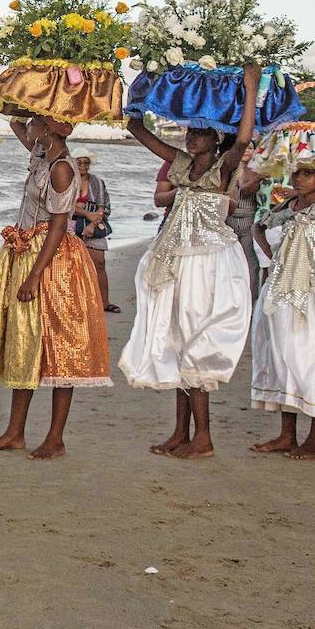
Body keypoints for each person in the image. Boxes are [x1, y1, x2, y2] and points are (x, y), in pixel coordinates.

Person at [118, 67, 259, 459]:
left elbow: (244, 137)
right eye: (189, 131)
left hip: (210, 263)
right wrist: (135, 90)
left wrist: (249, 87)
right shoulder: (180, 163)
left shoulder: (223, 167)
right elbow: (138, 130)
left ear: (215, 139)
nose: (190, 136)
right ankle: (181, 431)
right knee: (176, 339)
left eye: (199, 132)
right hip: (177, 259)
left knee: (198, 343)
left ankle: (205, 438)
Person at [0, 116, 112, 460]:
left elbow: (58, 225)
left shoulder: (62, 168)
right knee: (24, 339)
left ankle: (55, 437)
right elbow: (16, 123)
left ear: (49, 129)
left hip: (51, 260)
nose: (29, 126)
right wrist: (27, 107)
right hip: (25, 250)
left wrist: (36, 274)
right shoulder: (42, 155)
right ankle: (15, 432)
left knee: (59, 344)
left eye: (36, 121)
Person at [249, 161, 315, 459]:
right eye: (297, 173)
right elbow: (259, 225)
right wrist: (273, 260)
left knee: (314, 361)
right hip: (282, 291)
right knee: (283, 357)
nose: (300, 179)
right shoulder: (289, 205)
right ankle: (287, 435)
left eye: (309, 173)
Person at [70, 152, 118, 312]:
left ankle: (104, 302)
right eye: (79, 162)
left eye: (86, 163)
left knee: (99, 263)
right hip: (69, 227)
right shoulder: (67, 180)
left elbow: (103, 207)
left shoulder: (97, 182)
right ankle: (75, 303)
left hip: (94, 225)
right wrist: (86, 212)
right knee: (71, 266)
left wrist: (91, 224)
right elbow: (61, 206)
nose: (83, 166)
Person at [227, 154, 265, 301]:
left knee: (250, 262)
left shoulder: (258, 169)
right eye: (245, 147)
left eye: (251, 147)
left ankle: (250, 299)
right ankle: (232, 298)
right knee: (231, 261)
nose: (247, 150)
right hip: (230, 220)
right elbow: (240, 192)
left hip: (249, 219)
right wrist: (255, 180)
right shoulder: (231, 169)